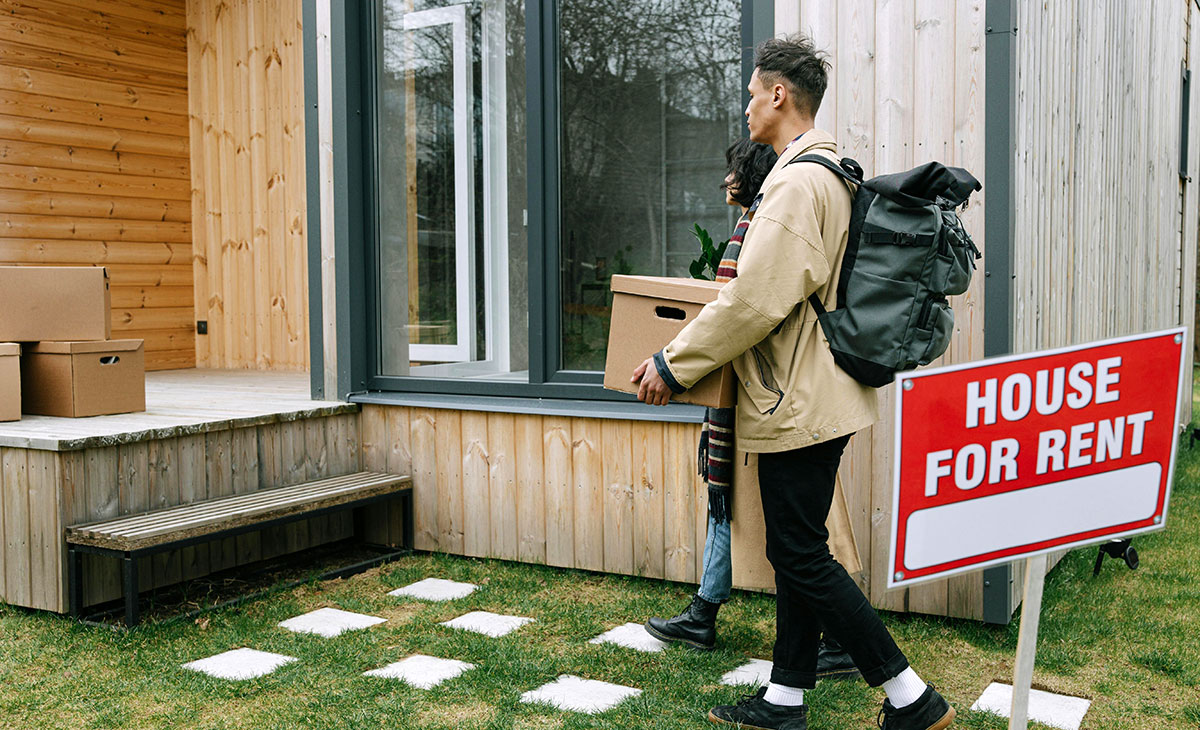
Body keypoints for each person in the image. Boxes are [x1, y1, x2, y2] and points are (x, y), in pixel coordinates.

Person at [632, 34, 956, 730]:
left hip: (798, 397)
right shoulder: (830, 172)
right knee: (797, 548)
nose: (747, 108)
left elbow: (754, 300)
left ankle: (911, 696)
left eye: (753, 95)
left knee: (800, 554)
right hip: (817, 390)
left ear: (779, 95)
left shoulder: (796, 182)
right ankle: (785, 698)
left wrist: (671, 363)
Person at [642, 138, 860, 683]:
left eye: (735, 171)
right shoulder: (781, 209)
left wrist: (672, 364)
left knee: (801, 544)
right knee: (786, 537)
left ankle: (885, 673)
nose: (726, 181)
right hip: (775, 398)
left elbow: (743, 309)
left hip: (772, 400)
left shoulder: (768, 220)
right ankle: (783, 682)